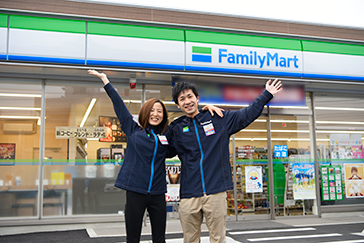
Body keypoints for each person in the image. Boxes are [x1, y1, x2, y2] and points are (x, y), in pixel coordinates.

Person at [88, 70, 222, 243]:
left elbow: (187, 128)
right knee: (133, 237)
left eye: (159, 111)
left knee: (159, 238)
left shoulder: (167, 134)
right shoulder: (133, 129)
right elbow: (119, 105)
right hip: (135, 190)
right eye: (152, 110)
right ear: (145, 113)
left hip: (158, 193)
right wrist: (105, 81)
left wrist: (204, 110)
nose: (155, 114)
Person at [168, 79, 282, 243]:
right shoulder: (176, 128)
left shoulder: (218, 118)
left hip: (216, 191)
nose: (187, 101)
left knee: (218, 238)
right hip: (189, 194)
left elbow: (246, 115)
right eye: (182, 99)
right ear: (178, 105)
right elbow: (162, 149)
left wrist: (266, 95)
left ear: (197, 98)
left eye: (189, 96)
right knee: (190, 239)